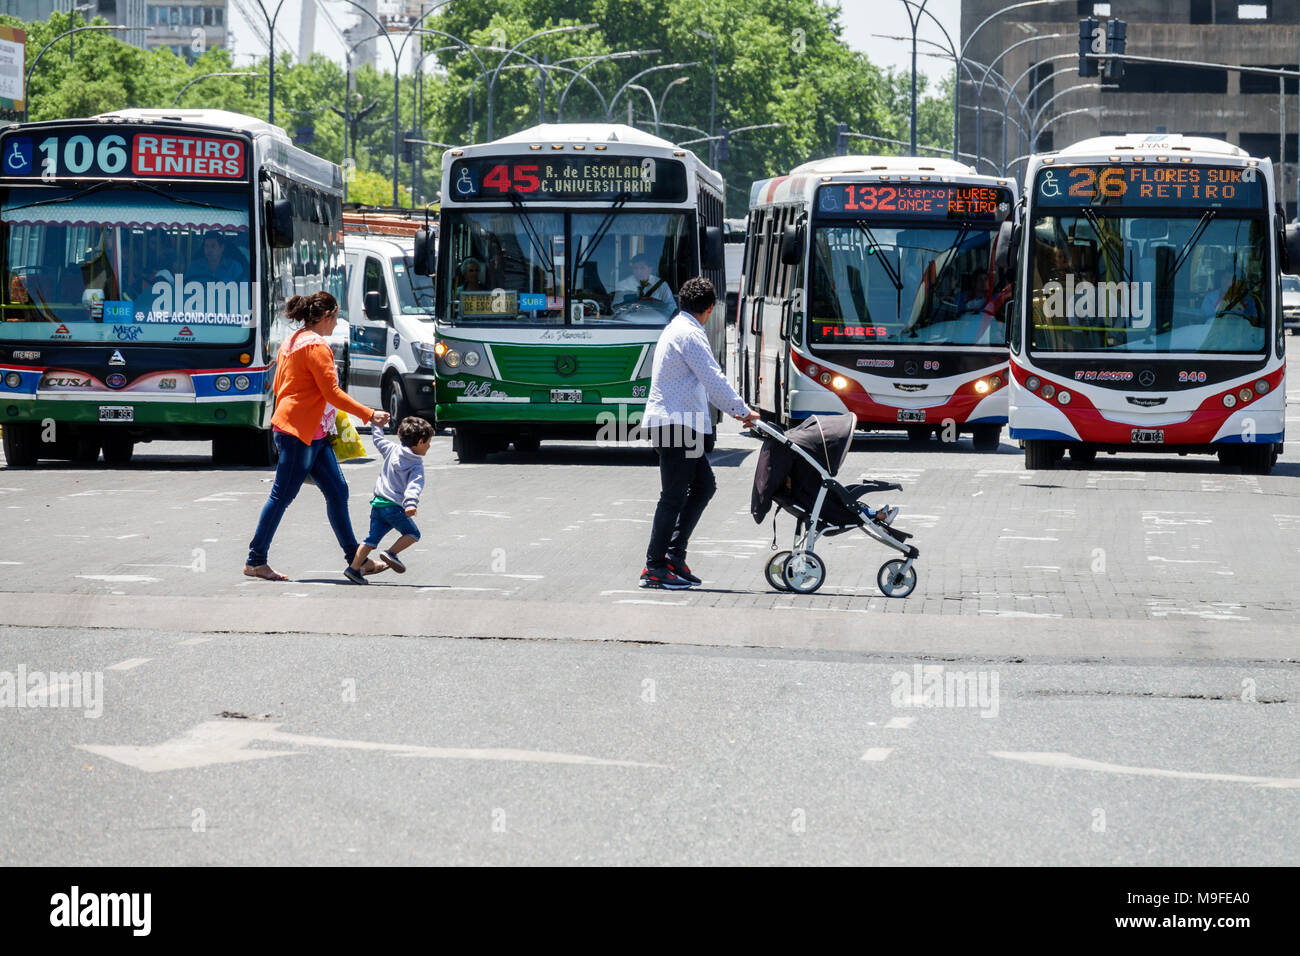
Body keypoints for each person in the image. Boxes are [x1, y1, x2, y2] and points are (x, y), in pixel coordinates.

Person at [245, 291, 391, 581]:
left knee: (337, 491)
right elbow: (332, 393)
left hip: (309, 431)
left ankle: (356, 559)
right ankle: (255, 560)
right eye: (336, 318)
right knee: (281, 497)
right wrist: (369, 413)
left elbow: (281, 385)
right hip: (300, 433)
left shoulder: (293, 341)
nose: (337, 324)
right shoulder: (316, 347)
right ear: (327, 317)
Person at [639, 276, 760, 590]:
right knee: (673, 497)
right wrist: (742, 411)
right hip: (675, 424)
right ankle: (655, 565)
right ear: (710, 308)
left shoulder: (676, 328)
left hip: (679, 424)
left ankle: (674, 555)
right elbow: (712, 377)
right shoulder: (690, 334)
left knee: (704, 486)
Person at [344, 416, 433, 585]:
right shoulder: (416, 465)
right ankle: (391, 553)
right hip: (395, 507)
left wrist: (376, 424)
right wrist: (411, 504)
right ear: (420, 441)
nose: (429, 446)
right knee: (413, 534)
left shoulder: (392, 449)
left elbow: (378, 440)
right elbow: (414, 486)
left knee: (371, 539)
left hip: (378, 504)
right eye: (428, 442)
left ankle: (354, 568)